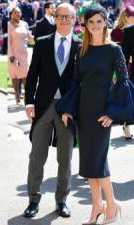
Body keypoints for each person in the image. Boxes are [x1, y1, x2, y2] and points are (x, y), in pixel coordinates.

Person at [58, 5, 134, 224]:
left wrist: (113, 113)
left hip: (102, 112)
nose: (95, 26)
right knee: (88, 161)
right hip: (83, 110)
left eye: (99, 21)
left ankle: (111, 203)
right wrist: (68, 109)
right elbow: (76, 82)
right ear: (86, 25)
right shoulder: (82, 50)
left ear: (106, 22)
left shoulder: (114, 50)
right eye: (90, 22)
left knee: (98, 161)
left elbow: (122, 83)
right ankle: (96, 206)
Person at [23, 3, 80, 219]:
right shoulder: (43, 43)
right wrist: (29, 102)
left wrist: (73, 108)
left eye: (69, 17)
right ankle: (33, 200)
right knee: (37, 156)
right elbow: (32, 74)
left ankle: (62, 201)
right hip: (43, 107)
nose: (65, 20)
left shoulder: (80, 46)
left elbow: (81, 81)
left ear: (75, 20)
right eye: (61, 16)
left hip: (68, 110)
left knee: (65, 158)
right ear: (54, 18)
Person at [7, 7, 34, 105]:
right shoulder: (9, 25)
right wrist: (11, 55)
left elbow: (29, 37)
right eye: (15, 13)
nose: (17, 14)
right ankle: (17, 97)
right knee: (14, 76)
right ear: (11, 14)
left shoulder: (24, 24)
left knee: (25, 76)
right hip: (14, 54)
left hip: (24, 53)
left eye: (18, 12)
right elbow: (8, 42)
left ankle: (27, 98)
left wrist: (38, 38)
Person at [122, 4, 134, 140]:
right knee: (131, 99)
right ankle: (127, 125)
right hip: (133, 69)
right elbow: (124, 54)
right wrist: (121, 75)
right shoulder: (129, 31)